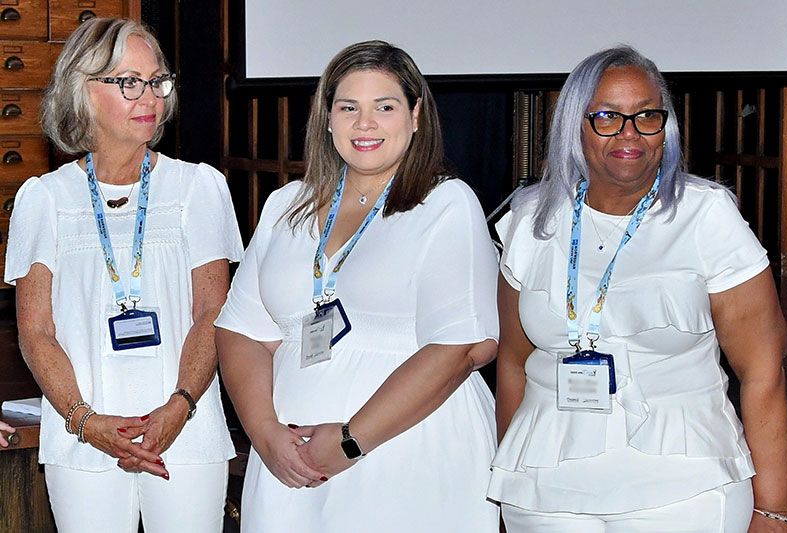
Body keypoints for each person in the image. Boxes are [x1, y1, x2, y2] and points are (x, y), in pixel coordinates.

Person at [488, 46, 787, 532]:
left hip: (685, 484)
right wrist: (509, 476)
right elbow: (512, 363)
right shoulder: (530, 221)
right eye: (607, 117)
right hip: (545, 490)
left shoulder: (706, 215)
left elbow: (762, 373)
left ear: (664, 126)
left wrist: (773, 511)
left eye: (646, 115)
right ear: (574, 126)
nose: (629, 133)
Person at [215, 40, 500, 532]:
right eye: (349, 107)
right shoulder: (286, 205)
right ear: (327, 118)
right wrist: (264, 434)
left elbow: (461, 349)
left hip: (409, 456)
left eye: (384, 107)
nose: (364, 123)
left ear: (415, 116)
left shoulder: (446, 205)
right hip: (291, 464)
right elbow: (241, 332)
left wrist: (350, 442)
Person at [5, 18, 243, 532]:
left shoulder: (200, 188)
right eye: (129, 82)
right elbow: (36, 332)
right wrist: (86, 422)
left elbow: (212, 315)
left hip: (187, 428)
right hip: (80, 436)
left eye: (157, 81)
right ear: (82, 90)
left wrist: (179, 406)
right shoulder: (43, 199)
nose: (150, 97)